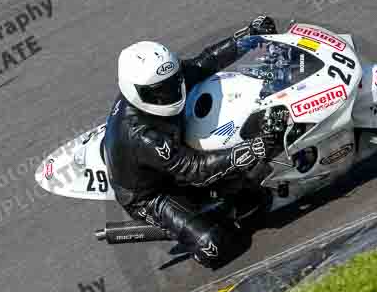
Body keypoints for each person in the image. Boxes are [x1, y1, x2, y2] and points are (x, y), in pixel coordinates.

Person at [103, 15, 278, 268]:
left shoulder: (164, 79)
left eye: (172, 84)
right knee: (216, 246)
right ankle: (179, 224)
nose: (171, 93)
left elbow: (203, 63)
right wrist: (250, 149)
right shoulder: (142, 135)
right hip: (153, 194)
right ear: (135, 91)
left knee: (255, 197)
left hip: (174, 155)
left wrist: (248, 38)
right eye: (159, 92)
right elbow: (195, 170)